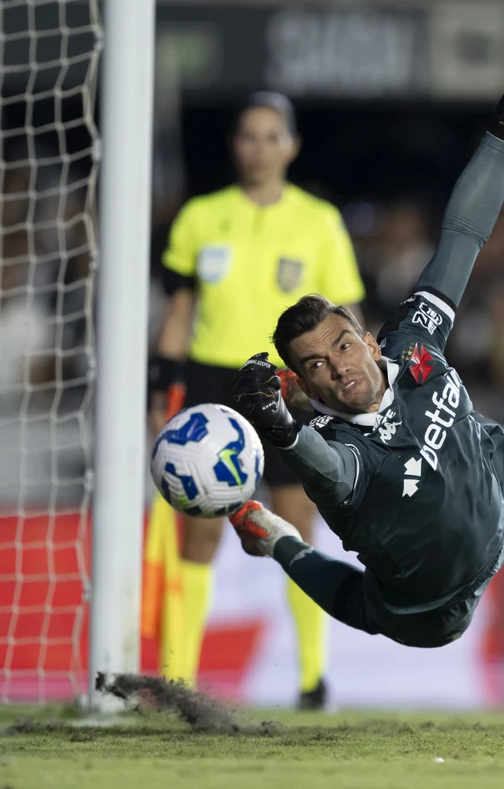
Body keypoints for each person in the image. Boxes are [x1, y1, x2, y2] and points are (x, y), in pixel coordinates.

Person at [227, 14, 504, 647]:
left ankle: (276, 537)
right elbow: (324, 470)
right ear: (305, 385)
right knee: (370, 609)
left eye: (341, 344)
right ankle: (279, 541)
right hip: (435, 607)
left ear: (362, 333)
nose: (338, 366)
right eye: (315, 368)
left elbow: (464, 234)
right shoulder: (343, 456)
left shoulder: (412, 341)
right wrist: (278, 426)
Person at [151, 91, 365, 707]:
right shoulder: (200, 216)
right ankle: (177, 679)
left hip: (286, 385)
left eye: (273, 136)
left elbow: (342, 316)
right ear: (234, 144)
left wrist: (344, 386)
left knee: (295, 527)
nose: (260, 147)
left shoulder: (319, 220)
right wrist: (159, 388)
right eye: (249, 135)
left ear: (291, 145)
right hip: (210, 383)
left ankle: (312, 679)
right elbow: (180, 310)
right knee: (198, 535)